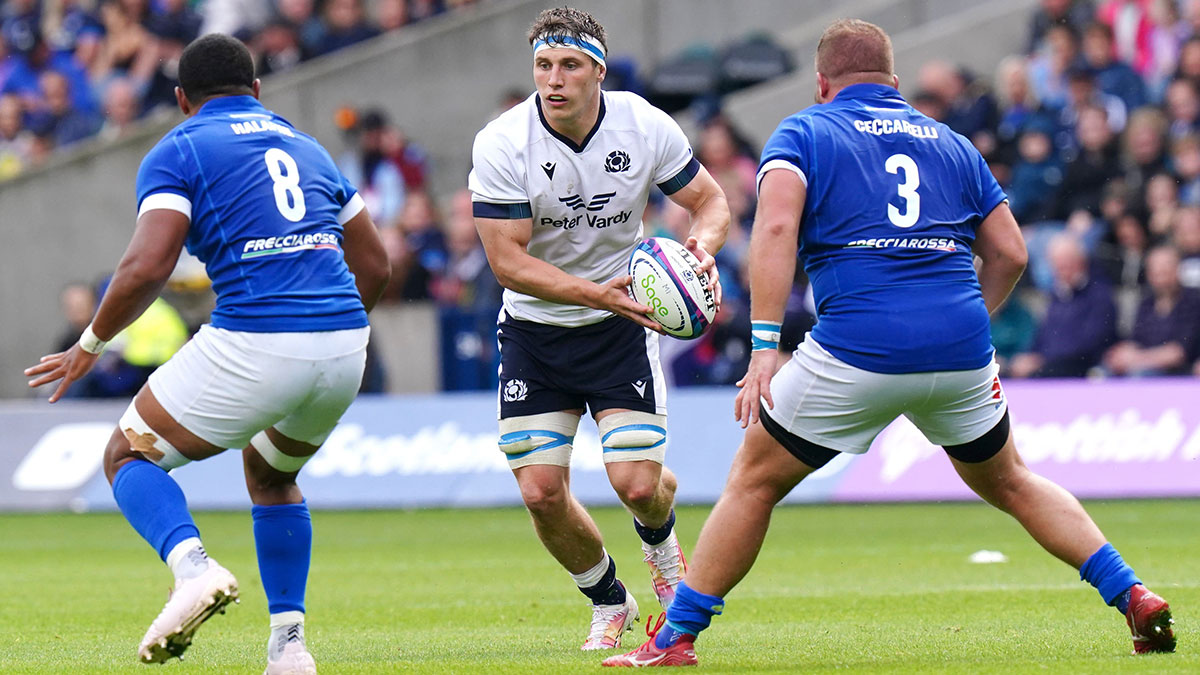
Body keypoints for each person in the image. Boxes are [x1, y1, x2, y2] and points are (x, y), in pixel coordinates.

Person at [604, 19, 1176, 667]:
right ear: (895, 83)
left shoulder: (805, 131)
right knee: (1013, 479)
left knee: (753, 482)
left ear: (821, 83)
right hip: (960, 348)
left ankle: (675, 637)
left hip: (859, 345)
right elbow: (1012, 252)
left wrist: (765, 344)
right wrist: (968, 321)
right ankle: (1131, 591)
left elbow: (775, 230)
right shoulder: (953, 142)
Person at [24, 34, 390, 674]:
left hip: (258, 337)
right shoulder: (309, 148)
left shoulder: (181, 147)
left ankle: (192, 569)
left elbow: (146, 267)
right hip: (344, 345)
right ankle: (290, 649)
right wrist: (328, 330)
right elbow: (377, 266)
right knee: (272, 476)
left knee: (126, 454)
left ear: (180, 99)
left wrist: (88, 345)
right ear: (256, 90)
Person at [468, 6, 730, 651]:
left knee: (638, 485)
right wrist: (599, 294)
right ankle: (609, 599)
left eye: (570, 66)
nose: (553, 80)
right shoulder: (502, 142)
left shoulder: (643, 125)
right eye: (543, 65)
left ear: (599, 73)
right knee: (540, 492)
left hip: (621, 330)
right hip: (535, 332)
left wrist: (701, 250)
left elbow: (711, 201)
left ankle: (664, 552)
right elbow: (507, 263)